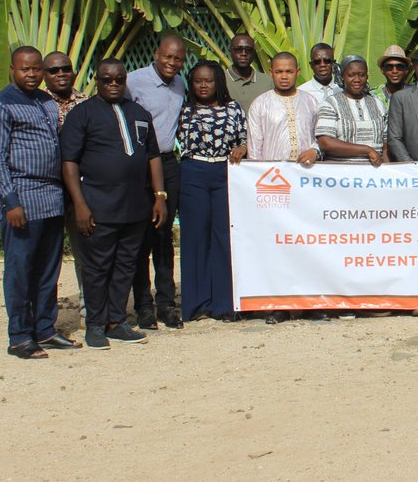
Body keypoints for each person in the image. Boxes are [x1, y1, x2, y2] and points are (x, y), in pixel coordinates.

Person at [61, 58, 165, 350]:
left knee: (125, 266)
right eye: (107, 79)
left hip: (135, 207)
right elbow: (69, 162)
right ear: (97, 81)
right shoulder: (82, 114)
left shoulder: (139, 113)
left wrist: (159, 196)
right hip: (98, 206)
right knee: (97, 268)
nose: (113, 84)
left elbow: (153, 156)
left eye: (119, 79)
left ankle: (116, 321)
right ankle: (95, 324)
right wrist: (79, 204)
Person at [0, 46, 76, 358]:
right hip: (22, 199)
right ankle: (20, 336)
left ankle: (45, 329)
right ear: (13, 69)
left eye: (37, 69)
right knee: (21, 270)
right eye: (25, 69)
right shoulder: (1, 105)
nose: (32, 74)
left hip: (51, 197)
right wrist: (10, 201)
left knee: (48, 270)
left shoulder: (46, 101)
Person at [247, 52, 321, 324]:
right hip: (274, 188)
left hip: (307, 184)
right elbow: (254, 149)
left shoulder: (310, 102)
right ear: (271, 72)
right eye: (279, 71)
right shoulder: (260, 104)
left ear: (298, 72)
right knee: (277, 245)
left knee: (307, 243)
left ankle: (310, 303)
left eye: (289, 71)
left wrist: (314, 151)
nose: (284, 76)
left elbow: (320, 137)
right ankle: (279, 304)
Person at [177, 62, 247, 323]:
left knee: (223, 237)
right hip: (193, 172)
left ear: (218, 82)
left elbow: (244, 138)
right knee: (195, 237)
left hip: (225, 172)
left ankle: (224, 304)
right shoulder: (184, 109)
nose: (203, 86)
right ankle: (196, 304)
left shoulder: (233, 108)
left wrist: (243, 147)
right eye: (198, 81)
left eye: (208, 80)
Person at [125, 34, 186, 330]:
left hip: (167, 162)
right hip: (139, 165)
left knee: (163, 236)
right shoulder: (133, 82)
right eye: (167, 56)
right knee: (140, 236)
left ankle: (166, 303)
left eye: (178, 59)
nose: (172, 63)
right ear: (156, 53)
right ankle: (143, 305)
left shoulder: (180, 84)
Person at [42, 51, 89, 323]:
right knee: (47, 256)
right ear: (44, 74)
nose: (60, 74)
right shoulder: (36, 103)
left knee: (84, 252)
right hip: (47, 189)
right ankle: (44, 318)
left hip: (80, 190)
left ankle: (88, 309)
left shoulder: (86, 103)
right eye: (54, 70)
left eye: (65, 68)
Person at [315, 56, 389, 166]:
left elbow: (385, 146)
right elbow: (325, 143)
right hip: (341, 173)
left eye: (361, 75)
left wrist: (387, 169)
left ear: (367, 77)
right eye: (351, 75)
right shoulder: (331, 104)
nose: (357, 80)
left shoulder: (378, 104)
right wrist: (367, 150)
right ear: (342, 77)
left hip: (374, 173)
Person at [224, 34, 273, 111]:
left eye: (248, 50)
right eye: (238, 49)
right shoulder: (219, 80)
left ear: (254, 53)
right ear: (230, 52)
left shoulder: (267, 82)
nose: (243, 53)